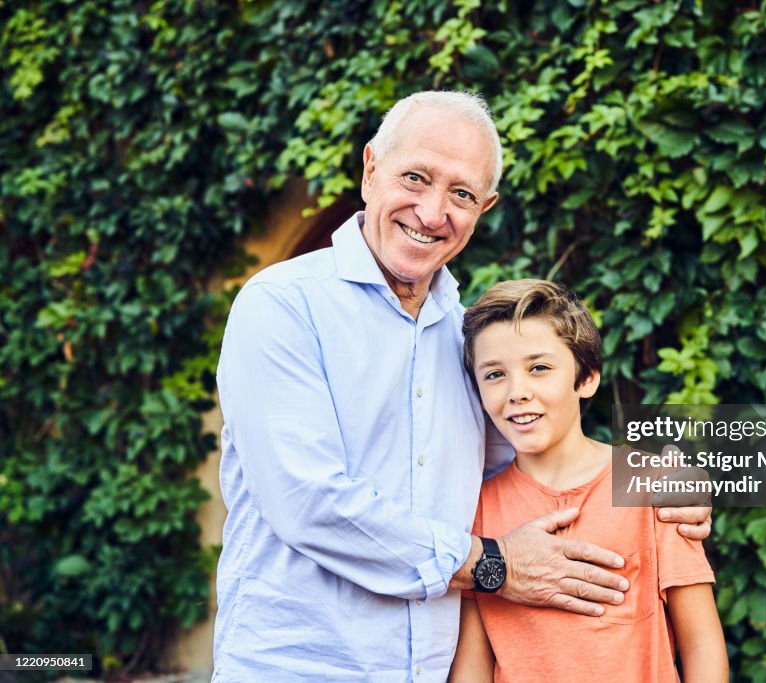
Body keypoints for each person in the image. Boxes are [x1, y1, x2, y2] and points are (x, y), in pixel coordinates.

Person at [213, 90, 712, 682]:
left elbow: (530, 450)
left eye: (462, 194)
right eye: (416, 177)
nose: (431, 212)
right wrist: (493, 564)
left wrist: (661, 473)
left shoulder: (470, 339)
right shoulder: (283, 305)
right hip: (302, 667)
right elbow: (309, 502)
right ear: (371, 169)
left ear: (486, 206)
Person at [449, 279, 728, 682]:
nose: (517, 392)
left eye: (539, 368)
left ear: (586, 378)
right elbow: (472, 665)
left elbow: (701, 643)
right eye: (494, 374)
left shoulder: (654, 485)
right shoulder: (475, 508)